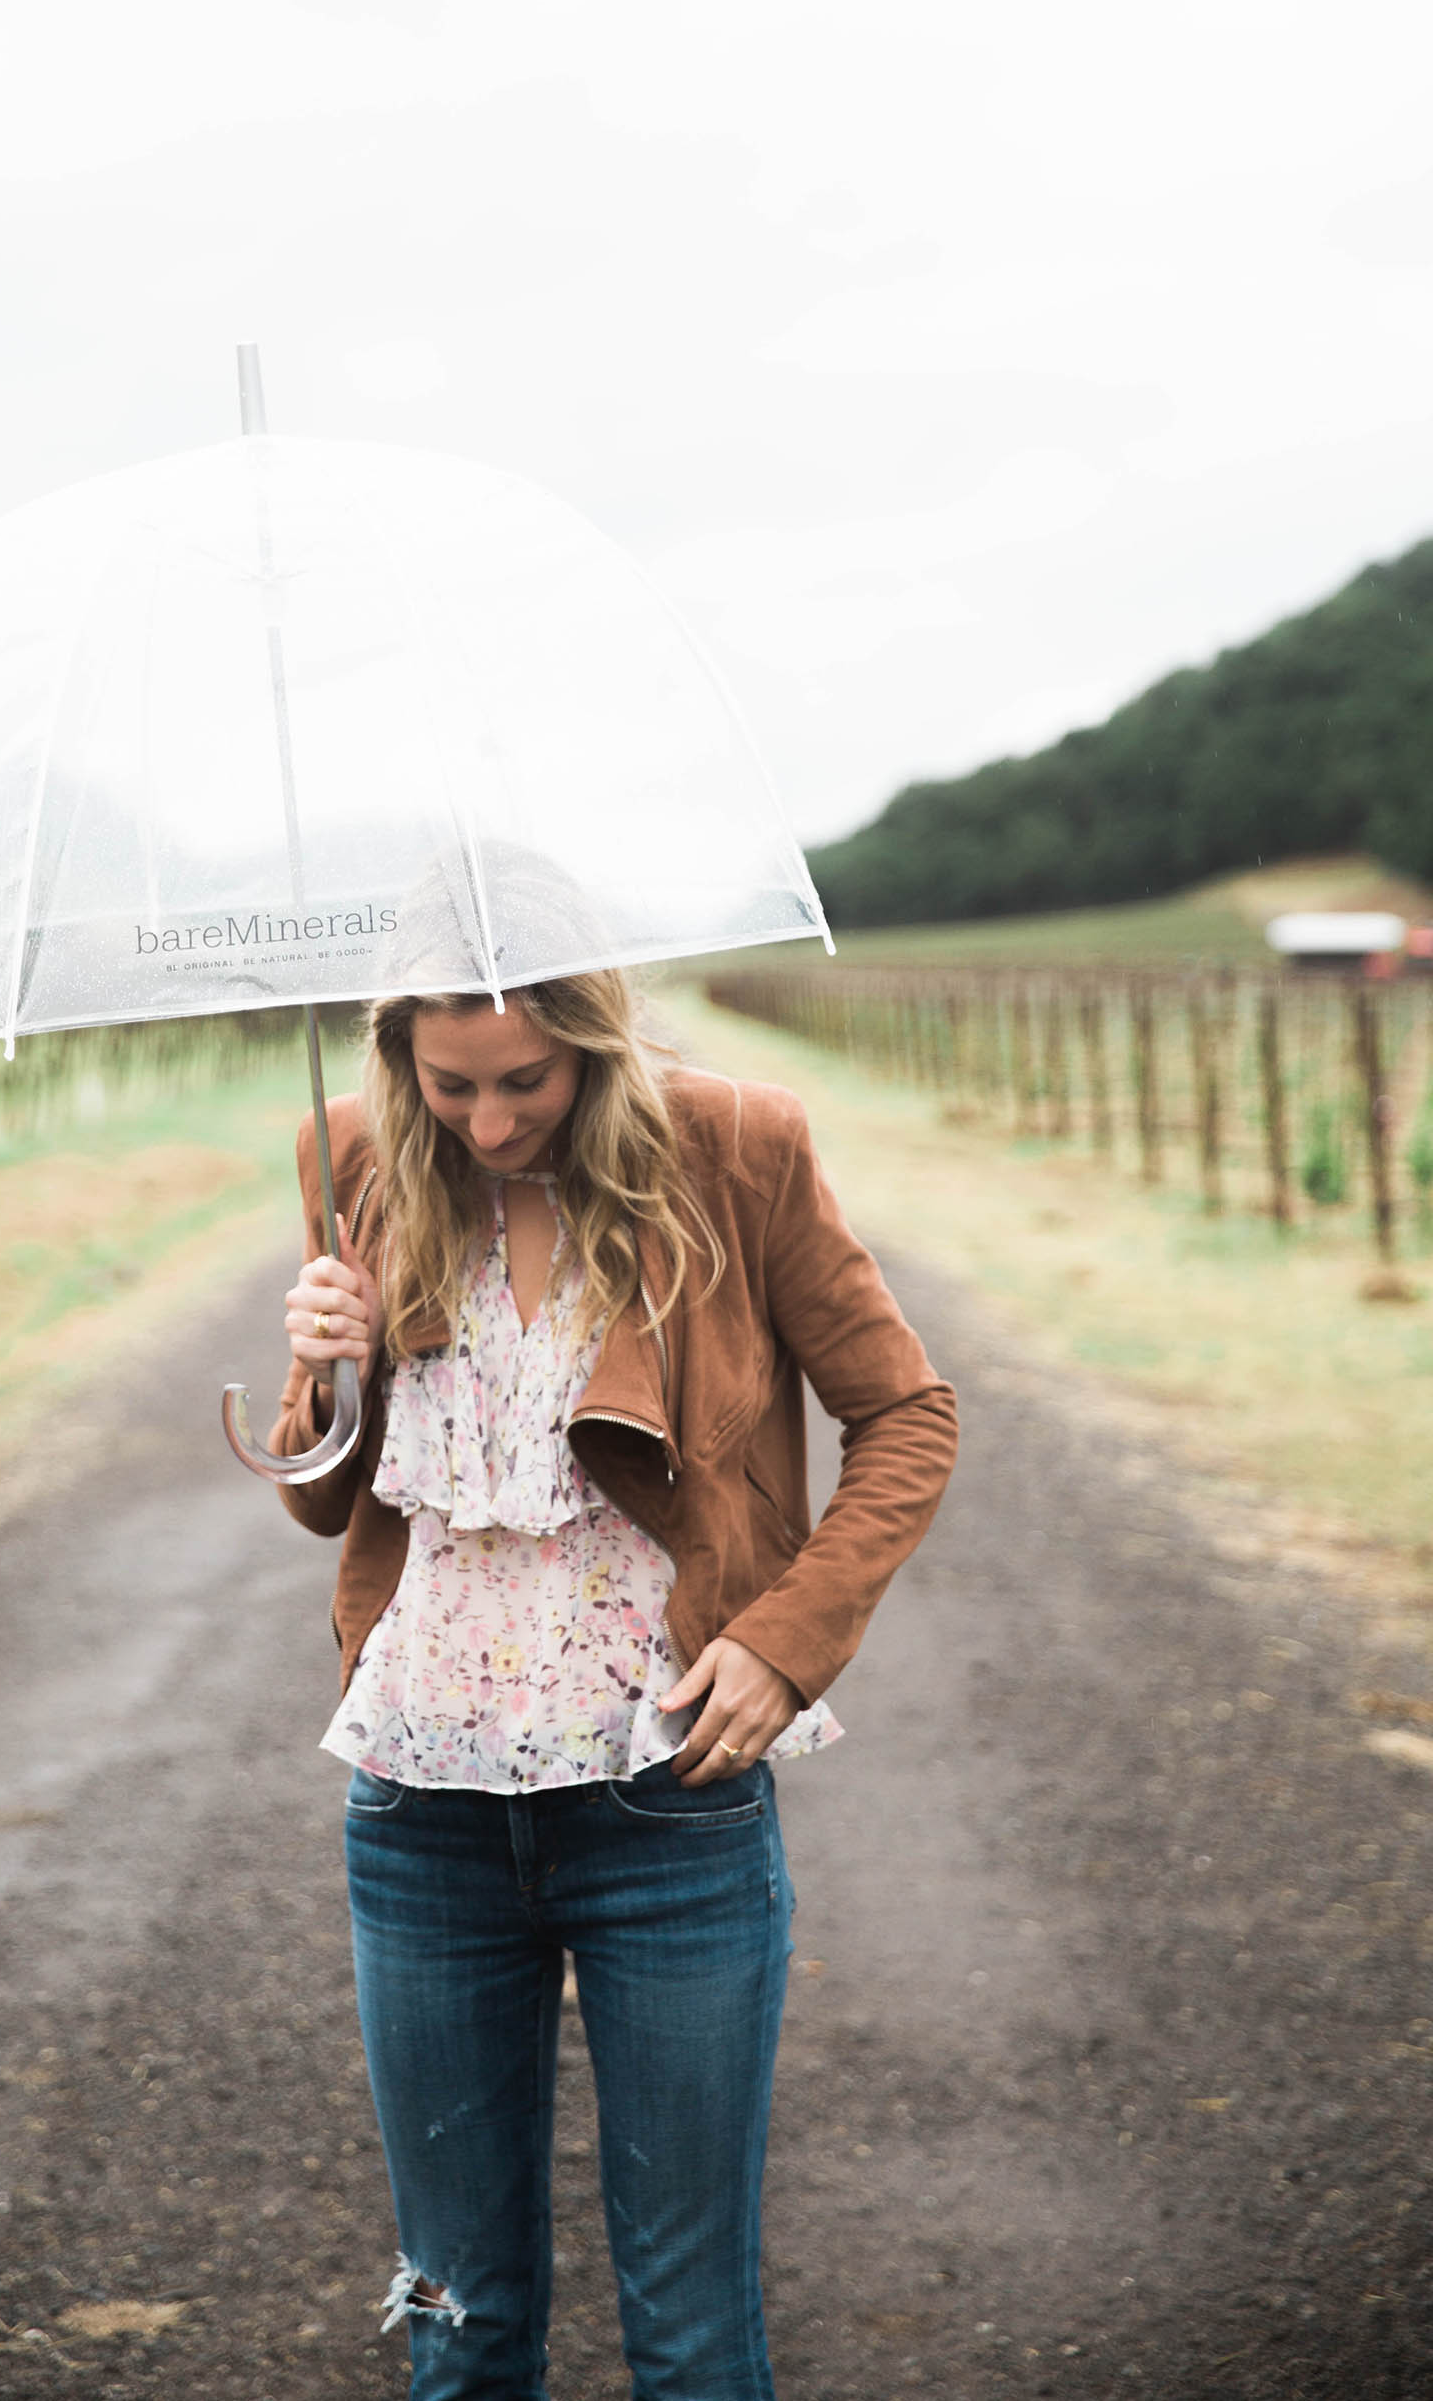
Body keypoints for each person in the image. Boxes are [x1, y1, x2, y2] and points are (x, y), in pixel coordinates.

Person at [270, 967, 957, 2401]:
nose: (490, 1120)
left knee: (693, 2332)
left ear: (595, 1045)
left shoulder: (732, 1151)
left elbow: (905, 1413)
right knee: (454, 2325)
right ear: (401, 1064)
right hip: (421, 1811)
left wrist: (788, 1636)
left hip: (668, 1801)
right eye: (448, 1087)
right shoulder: (350, 1155)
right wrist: (319, 1372)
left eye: (527, 1080)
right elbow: (329, 1504)